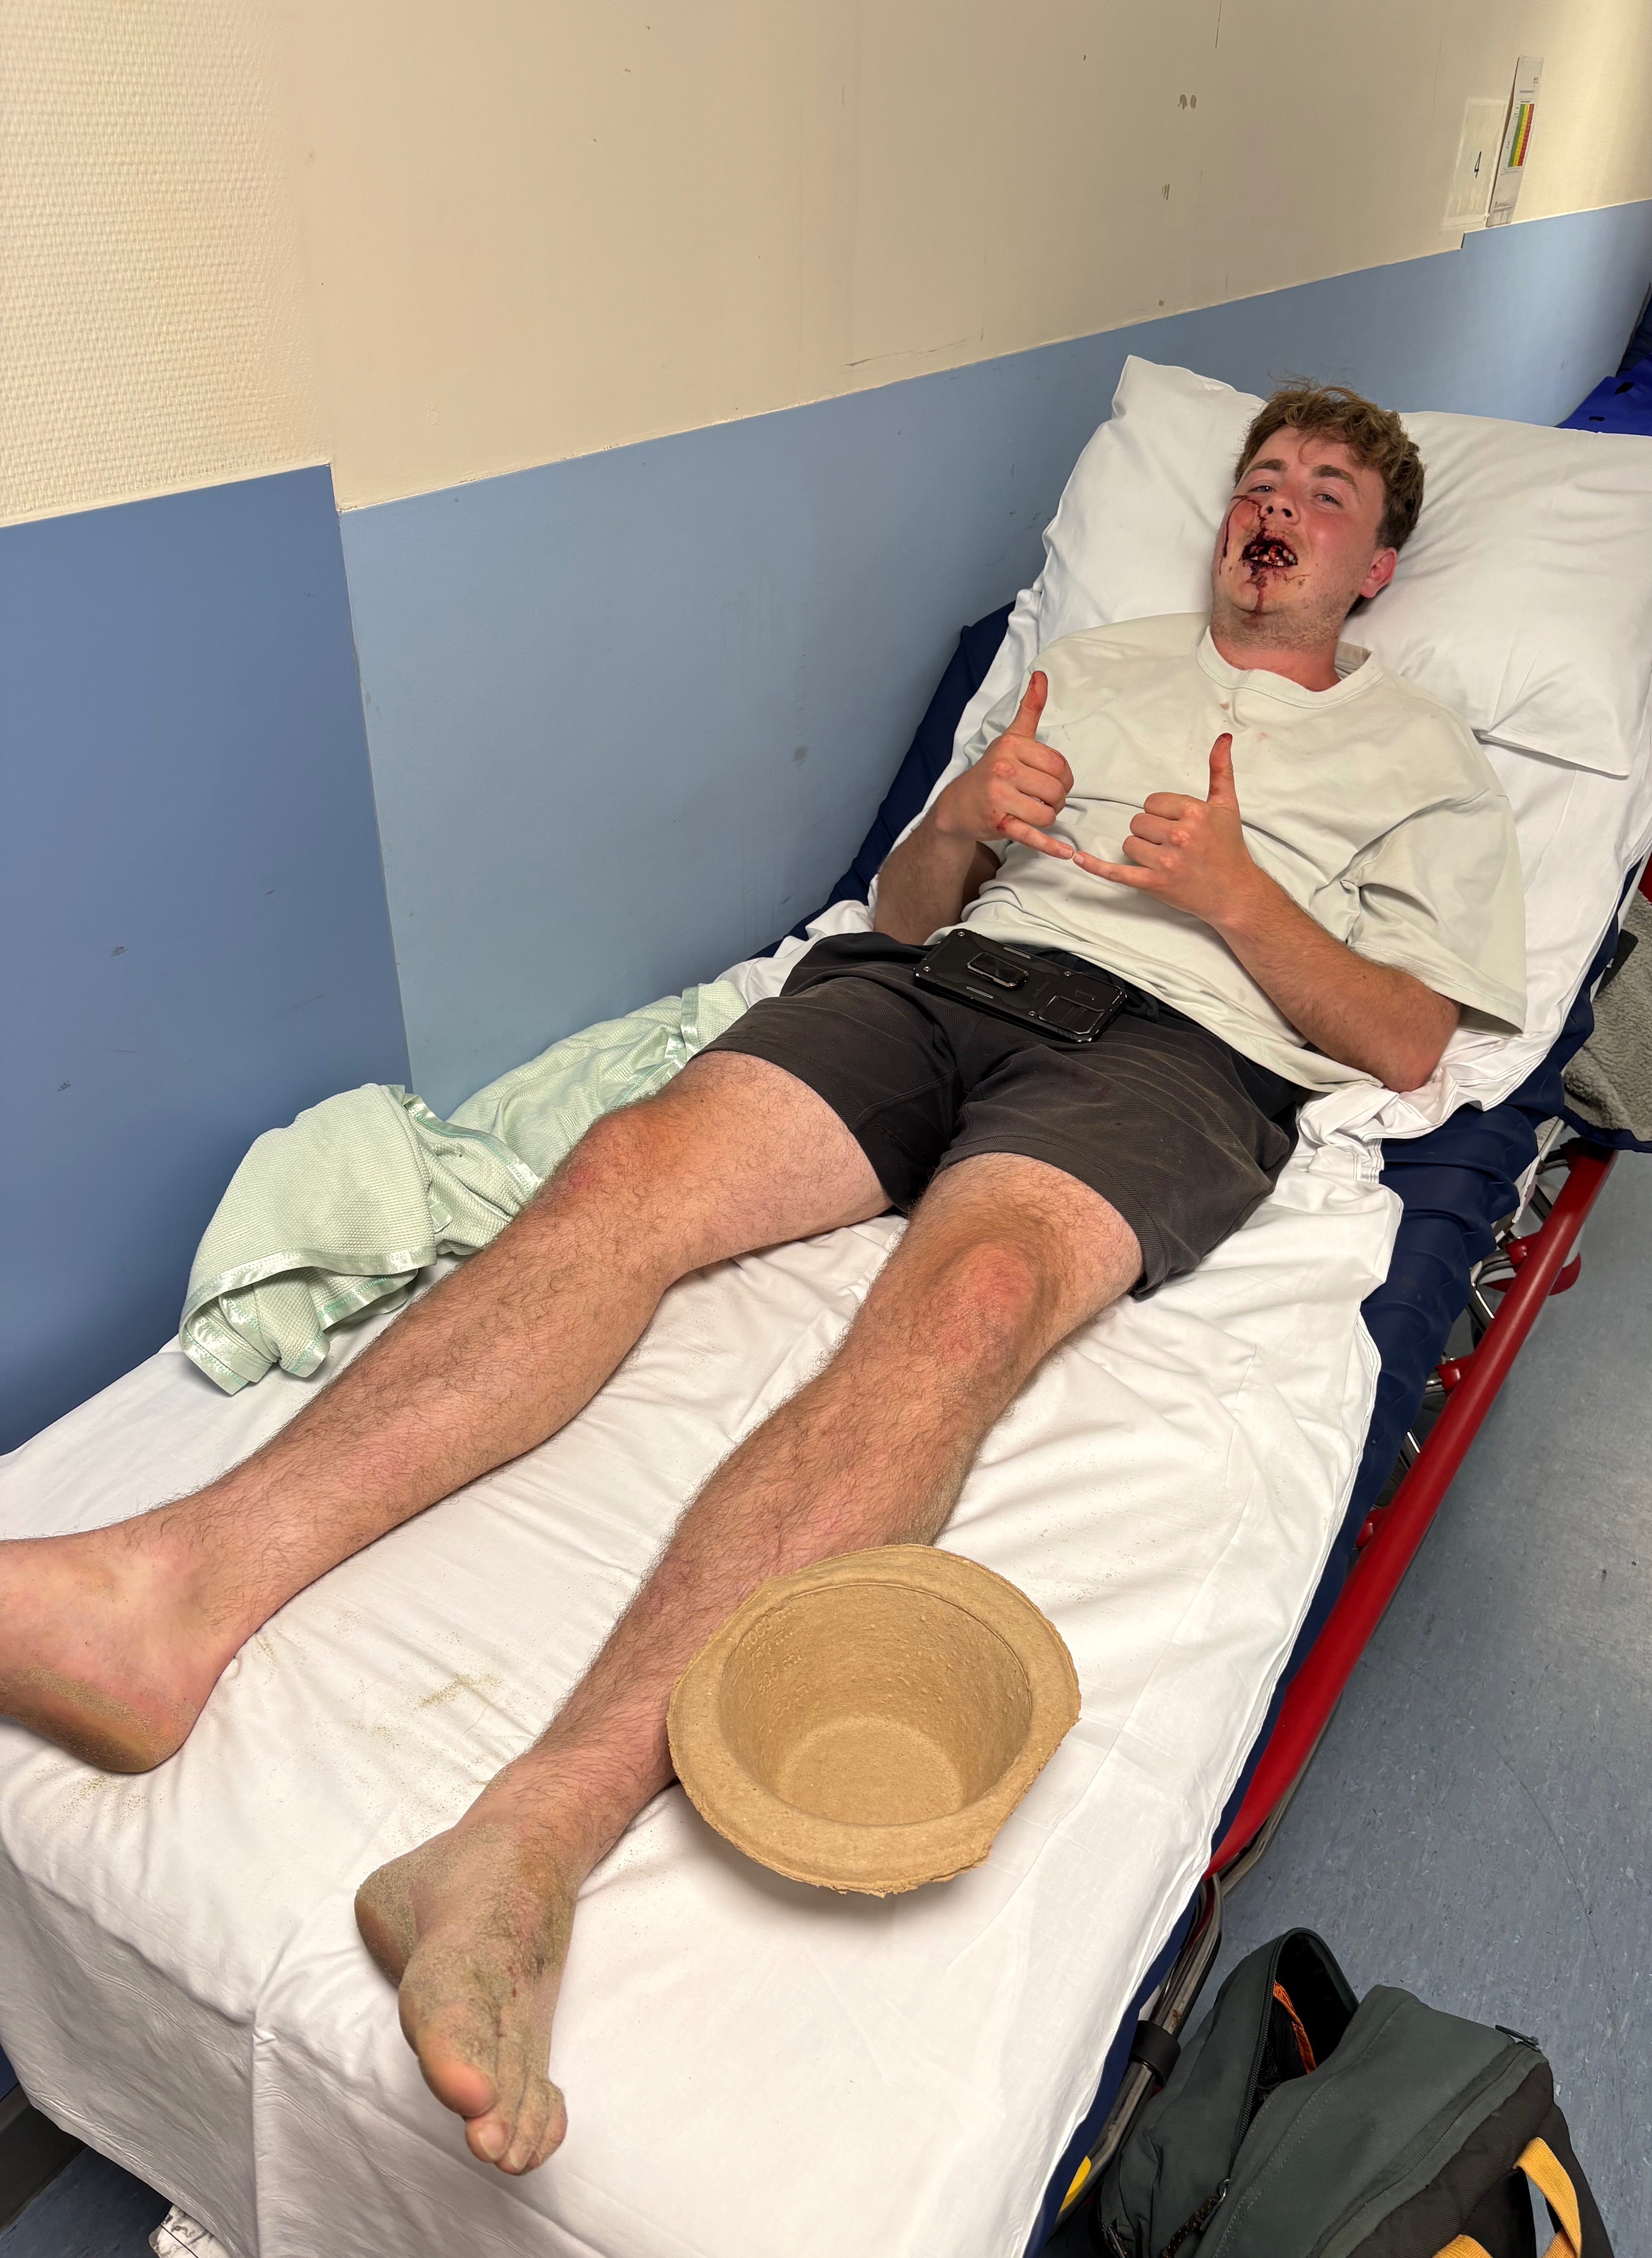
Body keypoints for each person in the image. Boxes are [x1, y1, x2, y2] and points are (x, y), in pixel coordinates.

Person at [0, 381, 1524, 2178]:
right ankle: (163, 1597)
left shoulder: (1421, 752)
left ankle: (522, 1851)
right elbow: (906, 909)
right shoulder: (1097, 667)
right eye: (1259, 478)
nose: (1276, 506)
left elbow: (1412, 1039)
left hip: (1174, 1053)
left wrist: (1245, 901)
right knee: (625, 1174)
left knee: (967, 1310)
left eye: (1325, 492)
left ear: (1376, 565)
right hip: (952, 986)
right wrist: (960, 819)